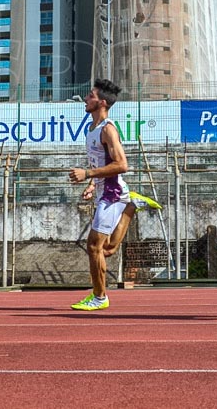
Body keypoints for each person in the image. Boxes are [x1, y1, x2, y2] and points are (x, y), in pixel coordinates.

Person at [68, 78, 162, 311]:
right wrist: (92, 184)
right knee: (107, 249)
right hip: (105, 191)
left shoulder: (108, 129)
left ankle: (99, 298)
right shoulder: (92, 128)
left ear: (101, 102)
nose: (86, 98)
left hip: (112, 193)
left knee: (93, 247)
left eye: (90, 95)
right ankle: (132, 207)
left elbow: (122, 164)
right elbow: (101, 161)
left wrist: (87, 173)